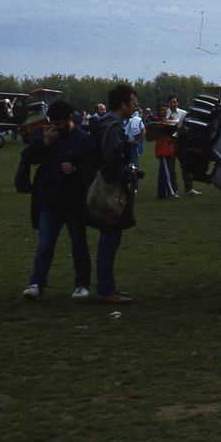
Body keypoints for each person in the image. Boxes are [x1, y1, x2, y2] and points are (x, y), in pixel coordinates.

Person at [21, 99, 92, 301]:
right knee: (45, 245)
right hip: (50, 200)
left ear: (70, 119)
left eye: (58, 124)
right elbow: (28, 157)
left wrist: (76, 169)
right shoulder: (47, 135)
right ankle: (36, 284)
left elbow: (91, 170)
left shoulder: (83, 139)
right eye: (52, 123)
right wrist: (44, 143)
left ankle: (82, 284)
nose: (54, 127)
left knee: (79, 244)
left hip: (73, 201)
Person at [87, 84, 141, 304]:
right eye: (133, 104)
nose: (135, 108)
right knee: (109, 240)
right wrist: (129, 172)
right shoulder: (115, 128)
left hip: (99, 188)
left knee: (106, 240)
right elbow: (111, 162)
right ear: (123, 105)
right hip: (110, 192)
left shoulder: (102, 124)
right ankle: (107, 289)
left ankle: (105, 287)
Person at [165, 94, 201, 196]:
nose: (173, 104)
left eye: (174, 102)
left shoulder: (183, 113)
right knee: (171, 168)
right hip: (169, 143)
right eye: (171, 102)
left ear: (178, 103)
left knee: (186, 165)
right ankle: (174, 190)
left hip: (181, 142)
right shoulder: (165, 113)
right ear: (168, 103)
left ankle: (189, 189)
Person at [151, 101, 178, 199]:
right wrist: (167, 123)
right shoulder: (156, 120)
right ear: (158, 111)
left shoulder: (164, 120)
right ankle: (171, 192)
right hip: (163, 149)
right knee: (167, 171)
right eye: (162, 110)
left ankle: (161, 193)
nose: (164, 111)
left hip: (168, 148)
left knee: (163, 172)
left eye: (165, 110)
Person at [123, 104, 146, 192]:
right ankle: (125, 184)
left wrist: (138, 142)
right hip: (124, 145)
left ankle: (134, 186)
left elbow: (143, 131)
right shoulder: (120, 120)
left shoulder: (137, 120)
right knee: (124, 164)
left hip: (133, 145)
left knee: (134, 166)